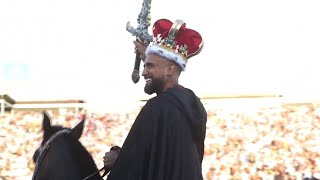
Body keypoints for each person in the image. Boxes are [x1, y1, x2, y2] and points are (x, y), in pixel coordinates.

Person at [103, 18, 207, 180]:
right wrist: (148, 55)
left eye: (149, 66)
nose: (144, 72)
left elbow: (147, 165)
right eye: (144, 65)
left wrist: (119, 160)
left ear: (170, 69)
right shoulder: (194, 106)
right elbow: (163, 158)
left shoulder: (157, 107)